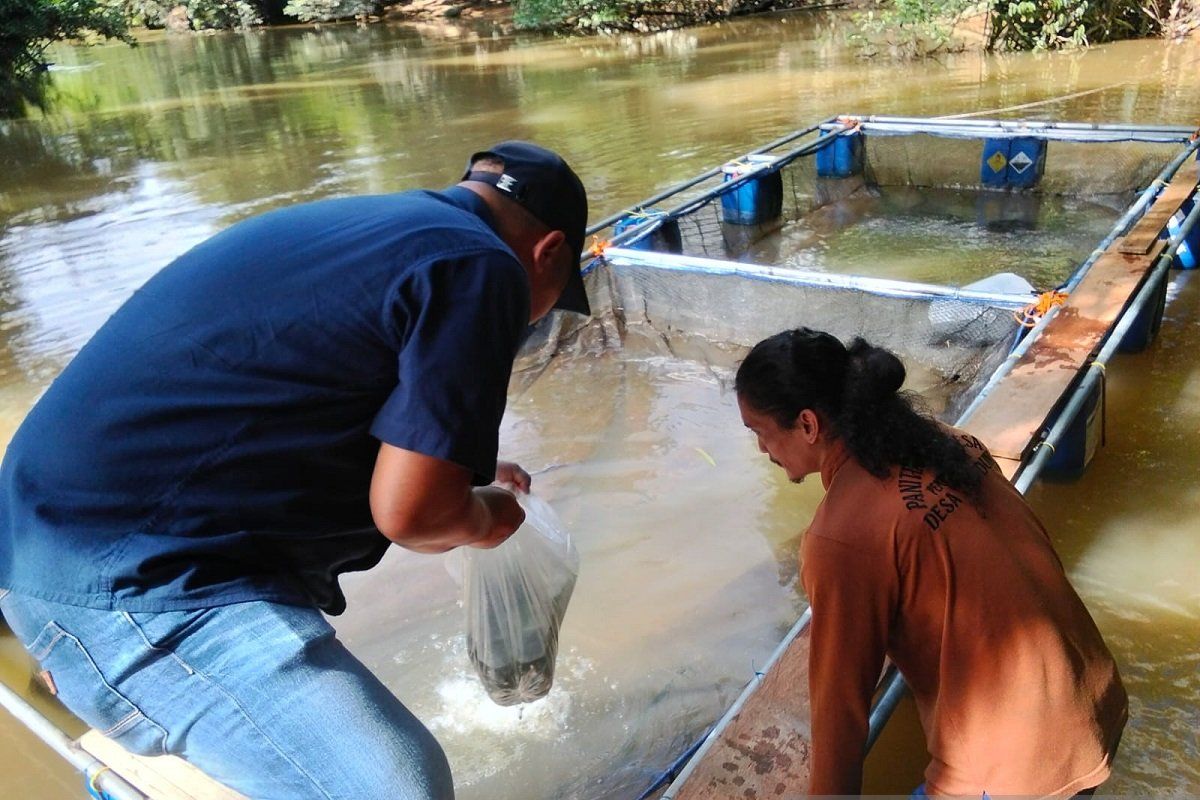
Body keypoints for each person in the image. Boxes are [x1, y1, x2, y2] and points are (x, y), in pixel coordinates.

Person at [0, 141, 590, 799]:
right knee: (397, 787)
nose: (537, 318)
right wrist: (486, 519)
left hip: (41, 538)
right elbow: (415, 517)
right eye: (553, 302)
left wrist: (459, 471)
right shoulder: (485, 266)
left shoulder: (380, 228)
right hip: (127, 581)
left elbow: (287, 405)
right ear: (550, 252)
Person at [734, 327, 1128, 799]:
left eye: (760, 432)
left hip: (1016, 770)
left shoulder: (839, 536)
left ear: (807, 425)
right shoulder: (948, 443)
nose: (762, 449)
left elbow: (840, 712)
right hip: (1095, 702)